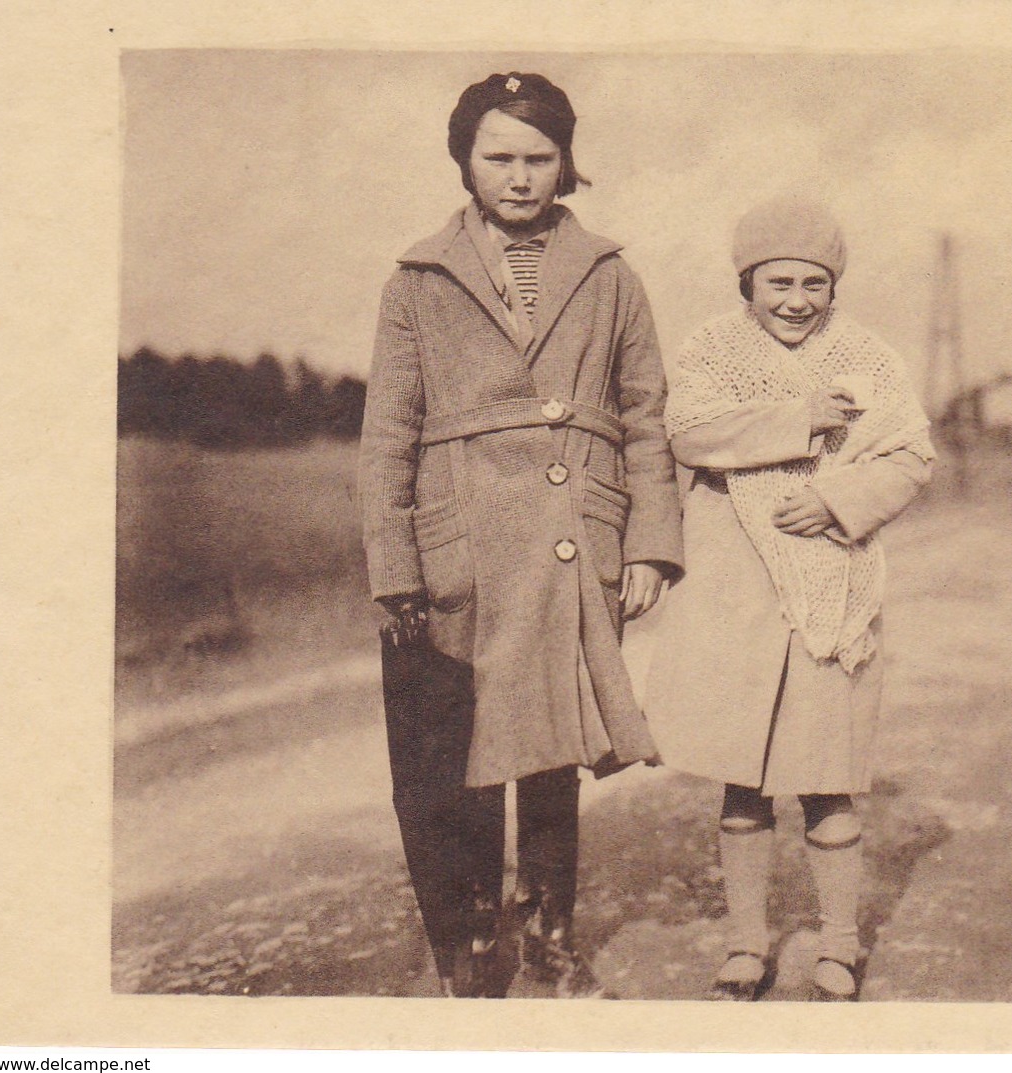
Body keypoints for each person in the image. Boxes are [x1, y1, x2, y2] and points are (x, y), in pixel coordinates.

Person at [360, 71, 682, 998]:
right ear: (463, 158)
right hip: (458, 549)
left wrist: (651, 543)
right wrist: (396, 570)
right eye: (497, 156)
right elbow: (387, 434)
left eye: (539, 157)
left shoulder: (610, 274)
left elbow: (645, 414)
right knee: (453, 758)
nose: (519, 177)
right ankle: (467, 944)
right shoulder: (416, 282)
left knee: (552, 752)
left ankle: (550, 931)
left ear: (565, 161)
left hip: (573, 539)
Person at [645, 198, 935, 1002]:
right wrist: (799, 420)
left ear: (834, 287)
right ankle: (745, 942)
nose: (796, 299)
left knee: (826, 774)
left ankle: (838, 944)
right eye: (778, 281)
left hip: (830, 584)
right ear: (748, 280)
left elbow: (910, 454)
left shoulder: (867, 358)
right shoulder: (711, 347)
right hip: (733, 588)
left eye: (815, 282)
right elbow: (690, 432)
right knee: (741, 778)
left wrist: (840, 499)